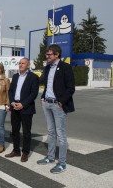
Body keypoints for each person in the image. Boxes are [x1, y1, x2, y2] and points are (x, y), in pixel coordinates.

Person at [37, 44, 75, 174]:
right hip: (47, 103)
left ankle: (62, 163)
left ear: (57, 54)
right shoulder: (47, 68)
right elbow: (46, 85)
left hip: (58, 105)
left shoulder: (65, 67)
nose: (47, 56)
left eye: (49, 54)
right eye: (46, 54)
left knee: (61, 134)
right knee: (51, 132)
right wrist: (42, 97)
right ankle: (50, 157)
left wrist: (61, 102)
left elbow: (71, 88)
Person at [5, 58, 39, 162]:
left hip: (26, 108)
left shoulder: (33, 77)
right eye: (19, 63)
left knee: (26, 132)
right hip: (14, 106)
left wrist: (23, 104)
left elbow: (34, 93)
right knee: (15, 130)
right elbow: (10, 91)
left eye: (23, 63)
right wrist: (12, 102)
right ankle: (16, 150)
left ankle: (25, 152)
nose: (20, 65)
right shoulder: (15, 76)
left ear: (28, 65)